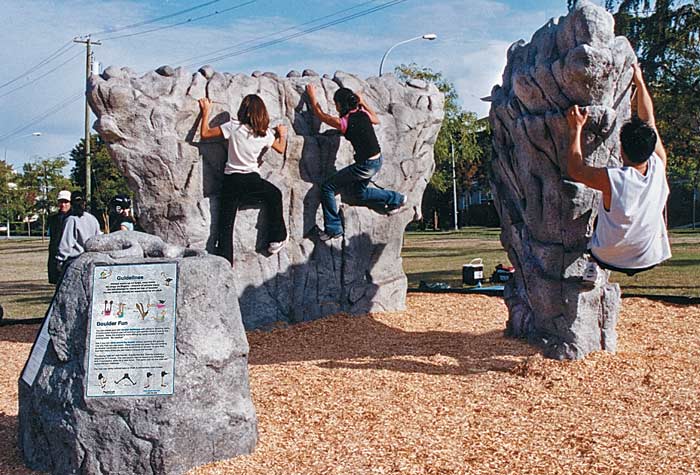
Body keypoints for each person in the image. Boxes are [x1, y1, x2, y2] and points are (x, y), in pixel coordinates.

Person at [566, 63, 671, 280]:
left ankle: (593, 265)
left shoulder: (613, 179)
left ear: (621, 149)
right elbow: (649, 121)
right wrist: (640, 83)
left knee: (597, 214)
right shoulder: (659, 164)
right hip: (649, 256)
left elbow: (575, 170)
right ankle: (596, 264)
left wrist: (575, 129)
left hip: (609, 257)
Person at [305, 84, 407, 241]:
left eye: (336, 103)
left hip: (365, 165)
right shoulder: (362, 113)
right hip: (377, 160)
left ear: (341, 104)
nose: (336, 106)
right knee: (359, 194)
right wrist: (363, 102)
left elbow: (320, 115)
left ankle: (333, 229)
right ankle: (396, 199)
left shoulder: (344, 123)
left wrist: (312, 96)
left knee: (327, 187)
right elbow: (376, 119)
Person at [198, 94, 288, 264]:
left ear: (243, 110)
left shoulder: (233, 127)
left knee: (225, 225)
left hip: (231, 182)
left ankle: (224, 263)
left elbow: (205, 133)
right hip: (252, 182)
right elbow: (281, 149)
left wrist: (206, 112)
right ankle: (276, 239)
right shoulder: (265, 134)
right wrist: (281, 134)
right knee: (275, 195)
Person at [56, 191, 101, 276]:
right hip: (91, 261)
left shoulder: (71, 220)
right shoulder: (92, 219)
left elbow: (66, 243)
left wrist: (60, 260)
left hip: (74, 262)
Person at [47, 190, 71, 284]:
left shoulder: (75, 218)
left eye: (66, 202)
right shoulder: (53, 219)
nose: (63, 204)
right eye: (61, 202)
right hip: (55, 257)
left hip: (70, 257)